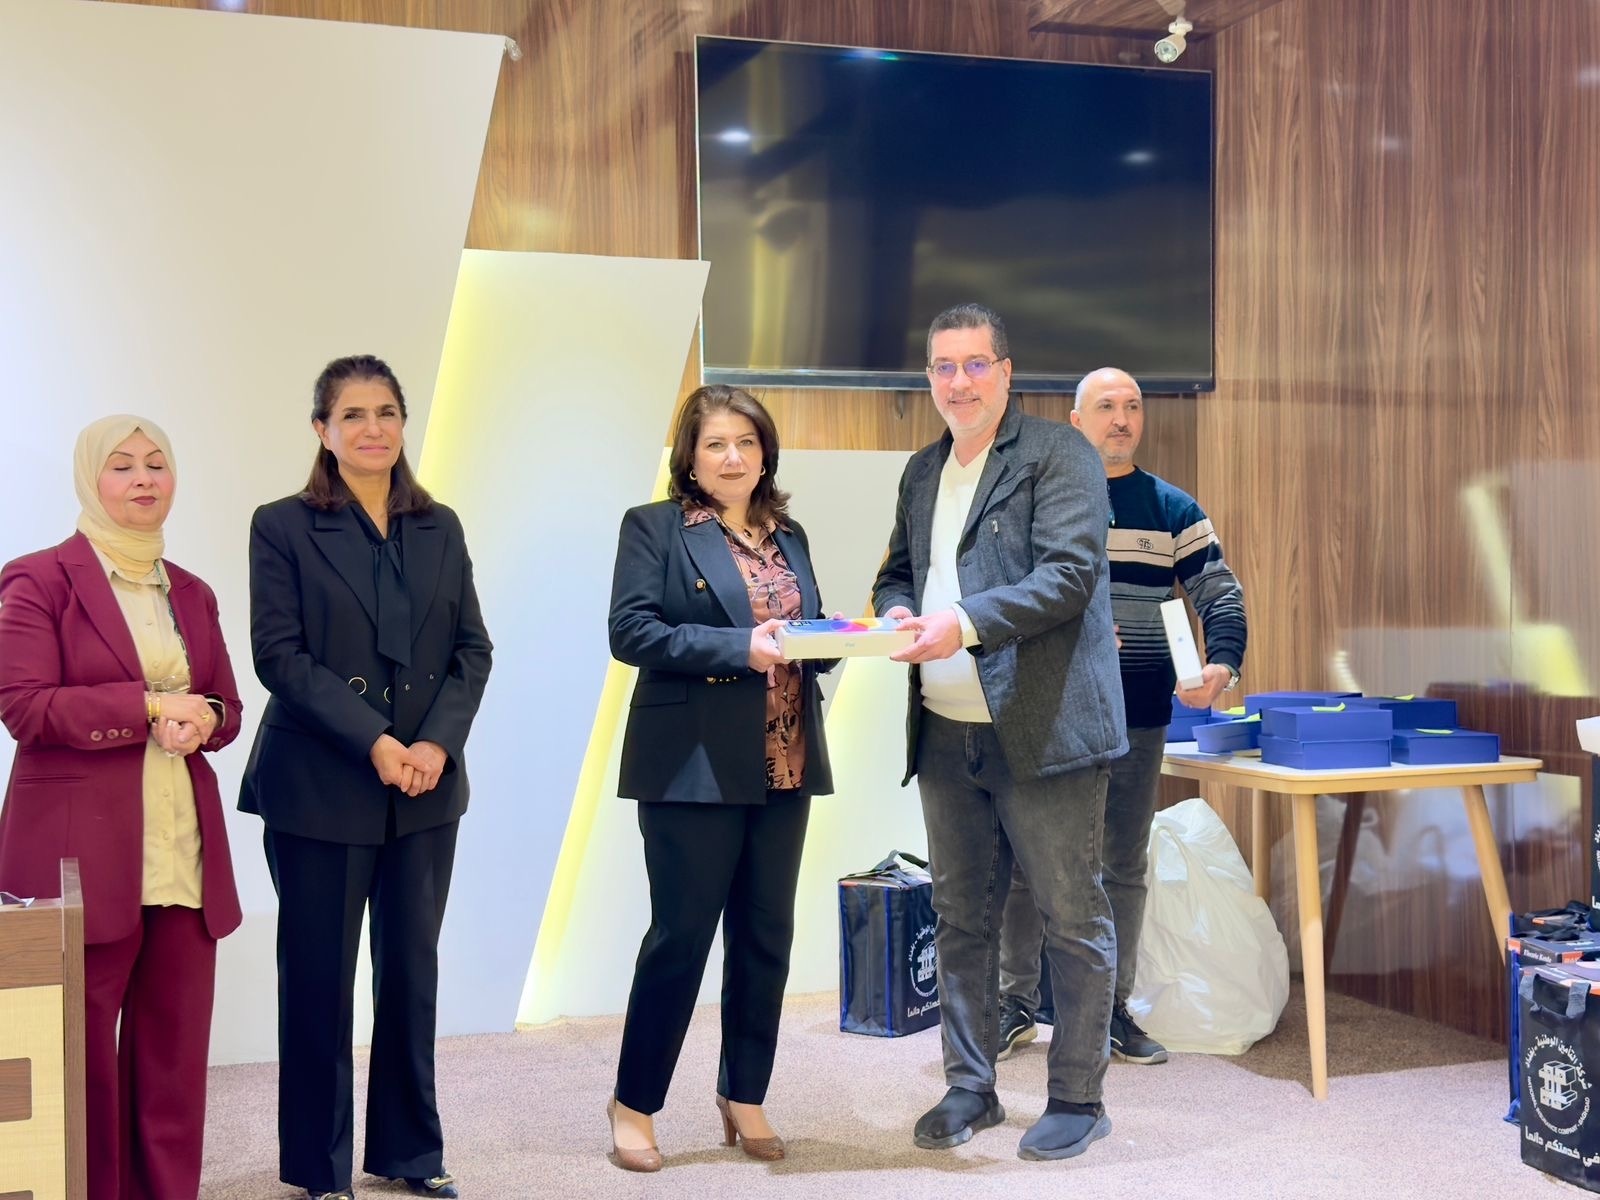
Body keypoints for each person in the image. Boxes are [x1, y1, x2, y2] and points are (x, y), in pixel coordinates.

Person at [871, 304, 1127, 1162]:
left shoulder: (1059, 453)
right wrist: (898, 610)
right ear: (929, 379)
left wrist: (965, 623)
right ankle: (970, 1087)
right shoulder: (921, 469)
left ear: (1006, 373)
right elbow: (898, 572)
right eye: (944, 367)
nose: (960, 382)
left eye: (976, 364)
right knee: (961, 919)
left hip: (1045, 729)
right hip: (946, 731)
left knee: (1071, 917)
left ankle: (1079, 1098)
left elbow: (1070, 574)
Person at [239, 355, 492, 1200]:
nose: (372, 428)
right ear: (323, 430)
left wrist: (436, 746)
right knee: (319, 983)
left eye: (386, 412)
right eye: (352, 415)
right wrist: (376, 742)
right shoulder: (282, 525)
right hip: (321, 784)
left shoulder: (439, 524)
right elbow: (280, 656)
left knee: (412, 977)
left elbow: (472, 649)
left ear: (403, 423)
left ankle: (410, 1152)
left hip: (425, 788)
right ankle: (321, 1169)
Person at [0, 415, 243, 1200]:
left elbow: (226, 706)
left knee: (173, 1057)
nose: (143, 478)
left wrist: (204, 718)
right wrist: (148, 705)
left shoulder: (192, 592)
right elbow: (25, 707)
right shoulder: (37, 579)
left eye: (156, 463)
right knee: (75, 1061)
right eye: (122, 465)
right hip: (80, 857)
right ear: (90, 479)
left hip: (181, 852)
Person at [605, 384, 835, 1172]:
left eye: (746, 442)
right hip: (693, 763)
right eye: (715, 444)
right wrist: (740, 649)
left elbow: (804, 632)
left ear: (765, 452)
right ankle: (634, 1104)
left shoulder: (789, 534)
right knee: (681, 939)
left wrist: (860, 635)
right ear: (690, 457)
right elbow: (632, 631)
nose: (732, 457)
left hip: (784, 761)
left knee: (766, 937)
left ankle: (745, 1094)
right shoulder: (655, 528)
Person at [995, 366, 1248, 1066]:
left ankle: (1110, 1007)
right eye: (1105, 405)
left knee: (1123, 864)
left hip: (1137, 715)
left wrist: (1223, 664)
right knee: (1025, 862)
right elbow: (1001, 597)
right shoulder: (1036, 499)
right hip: (1046, 713)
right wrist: (1066, 633)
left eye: (1133, 406)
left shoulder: (1172, 508)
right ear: (1076, 421)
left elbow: (1218, 592)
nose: (1122, 418)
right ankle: (1015, 1004)